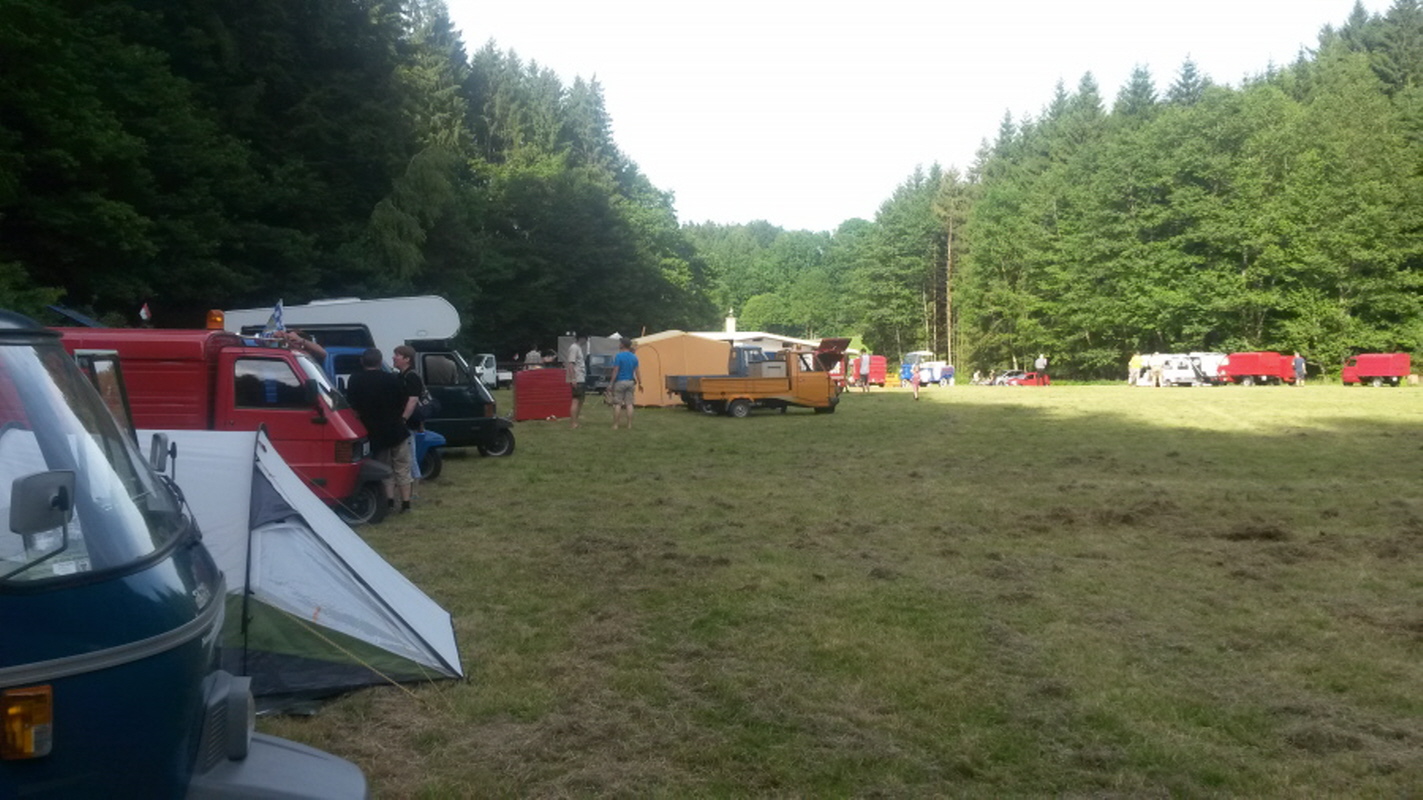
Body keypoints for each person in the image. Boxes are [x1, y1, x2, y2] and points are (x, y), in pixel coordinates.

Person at [344, 348, 411, 516]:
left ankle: (389, 501)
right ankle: (406, 503)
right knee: (402, 467)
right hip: (396, 429)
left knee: (383, 468)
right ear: (380, 362)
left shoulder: (355, 380)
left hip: (375, 432)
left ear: (362, 362)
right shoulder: (392, 379)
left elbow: (352, 405)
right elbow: (402, 401)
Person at [392, 345, 425, 506]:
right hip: (407, 422)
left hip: (408, 423)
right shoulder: (401, 375)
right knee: (407, 456)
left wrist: (403, 419)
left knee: (410, 457)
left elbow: (413, 400)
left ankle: (414, 492)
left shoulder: (411, 376)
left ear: (407, 359)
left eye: (397, 355)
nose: (394, 357)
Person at [610, 337, 641, 430]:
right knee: (629, 404)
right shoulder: (634, 357)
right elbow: (637, 371)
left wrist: (611, 383)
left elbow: (615, 370)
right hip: (630, 382)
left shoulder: (619, 356)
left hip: (620, 382)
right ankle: (629, 425)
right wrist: (640, 382)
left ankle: (616, 425)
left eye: (620, 343)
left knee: (618, 404)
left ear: (623, 345)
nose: (619, 344)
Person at [566, 333, 588, 429]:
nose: (586, 341)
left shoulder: (578, 348)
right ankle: (573, 423)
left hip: (581, 377)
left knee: (580, 400)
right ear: (581, 338)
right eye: (586, 339)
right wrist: (573, 378)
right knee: (576, 400)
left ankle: (576, 421)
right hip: (577, 378)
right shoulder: (574, 348)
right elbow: (571, 364)